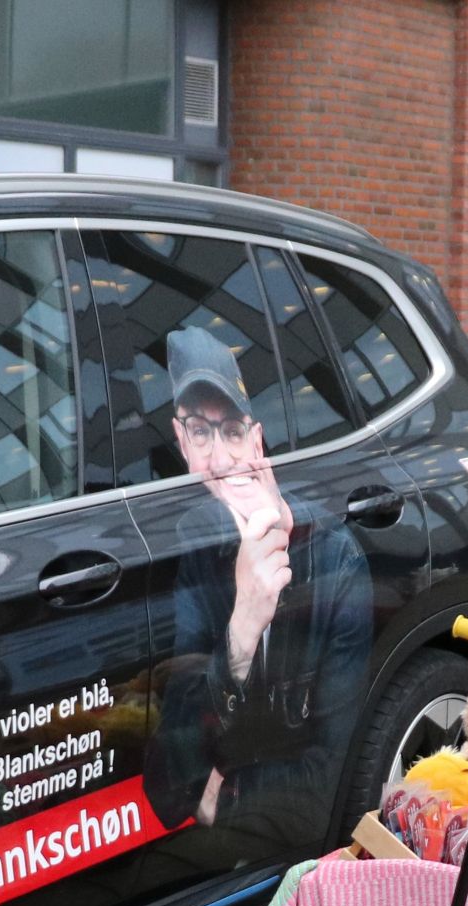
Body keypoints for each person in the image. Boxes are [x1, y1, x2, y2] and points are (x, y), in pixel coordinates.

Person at [141, 325, 372, 853]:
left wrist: (230, 793)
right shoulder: (195, 548)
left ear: (257, 439)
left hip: (298, 846)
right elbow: (169, 779)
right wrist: (243, 626)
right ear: (182, 443)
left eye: (233, 433)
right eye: (200, 433)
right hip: (245, 839)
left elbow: (335, 774)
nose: (220, 459)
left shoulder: (332, 556)